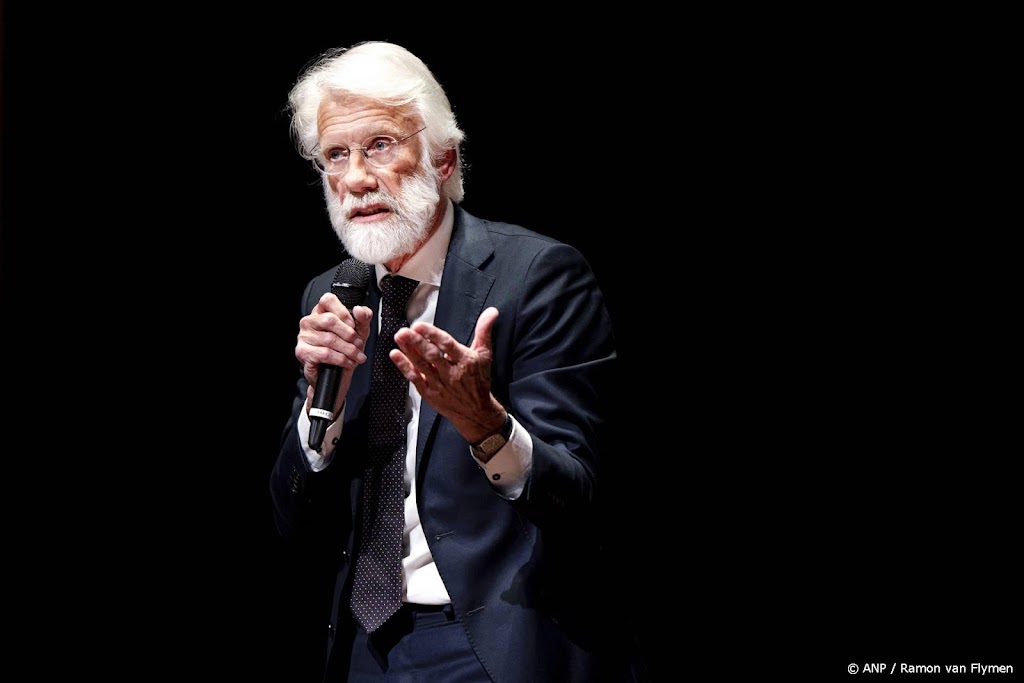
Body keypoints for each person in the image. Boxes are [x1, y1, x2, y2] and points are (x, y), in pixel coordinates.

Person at [270, 41, 633, 682]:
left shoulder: (537, 277)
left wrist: (485, 425)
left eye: (380, 145)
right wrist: (320, 416)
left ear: (442, 159)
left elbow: (581, 499)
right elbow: (290, 518)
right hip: (366, 645)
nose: (356, 178)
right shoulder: (332, 297)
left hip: (494, 641)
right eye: (336, 155)